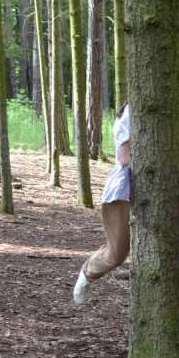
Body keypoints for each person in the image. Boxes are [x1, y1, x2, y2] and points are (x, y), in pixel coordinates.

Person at [73, 103, 131, 305]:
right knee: (118, 253)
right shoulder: (132, 113)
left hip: (145, 192)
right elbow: (124, 158)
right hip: (121, 193)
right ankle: (87, 273)